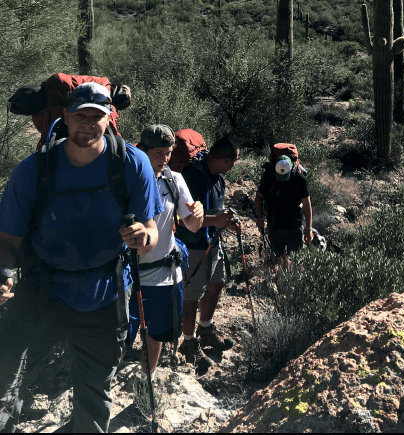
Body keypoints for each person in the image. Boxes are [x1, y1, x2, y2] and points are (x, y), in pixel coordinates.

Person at [0, 82, 163, 434]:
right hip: (43, 290)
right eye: (80, 116)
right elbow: (8, 241)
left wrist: (144, 238)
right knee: (5, 376)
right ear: (66, 118)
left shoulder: (131, 164)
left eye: (97, 116)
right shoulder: (34, 171)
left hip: (104, 295)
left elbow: (151, 230)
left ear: (109, 119)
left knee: (93, 395)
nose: (88, 124)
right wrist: (3, 273)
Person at [128, 124, 204, 387]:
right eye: (158, 153)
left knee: (157, 334)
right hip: (128, 275)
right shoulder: (127, 180)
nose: (164, 159)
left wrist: (198, 215)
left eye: (169, 152)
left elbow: (192, 226)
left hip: (163, 274)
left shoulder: (175, 180)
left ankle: (145, 381)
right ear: (141, 150)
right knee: (121, 334)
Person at [175, 136, 241, 367]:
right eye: (233, 161)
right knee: (191, 296)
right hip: (193, 246)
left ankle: (206, 329)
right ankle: (188, 342)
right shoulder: (193, 176)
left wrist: (226, 222)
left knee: (217, 282)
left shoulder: (217, 178)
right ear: (224, 159)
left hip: (212, 242)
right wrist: (217, 221)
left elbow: (214, 213)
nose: (233, 166)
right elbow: (182, 220)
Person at [255, 143, 312, 271]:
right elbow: (258, 197)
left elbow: (307, 204)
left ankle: (293, 281)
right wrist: (259, 218)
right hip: (274, 222)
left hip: (294, 223)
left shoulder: (299, 178)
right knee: (279, 255)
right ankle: (283, 278)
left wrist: (308, 228)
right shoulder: (269, 175)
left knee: (297, 258)